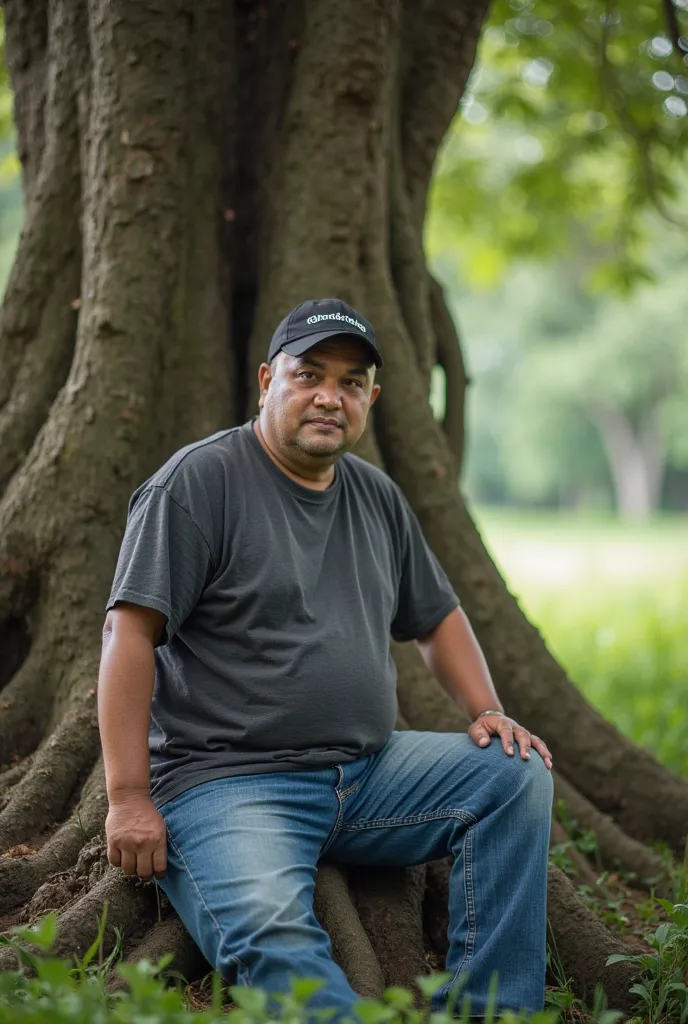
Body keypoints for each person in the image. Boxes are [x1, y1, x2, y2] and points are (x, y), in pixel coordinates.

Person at [98, 297, 554, 1022]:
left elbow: (436, 618)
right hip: (228, 783)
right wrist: (127, 798)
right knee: (275, 937)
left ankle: (491, 1013)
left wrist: (487, 711)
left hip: (369, 776)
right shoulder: (197, 484)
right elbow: (128, 636)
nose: (328, 397)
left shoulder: (374, 494)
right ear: (266, 381)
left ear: (369, 398)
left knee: (511, 777)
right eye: (309, 374)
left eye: (349, 383)